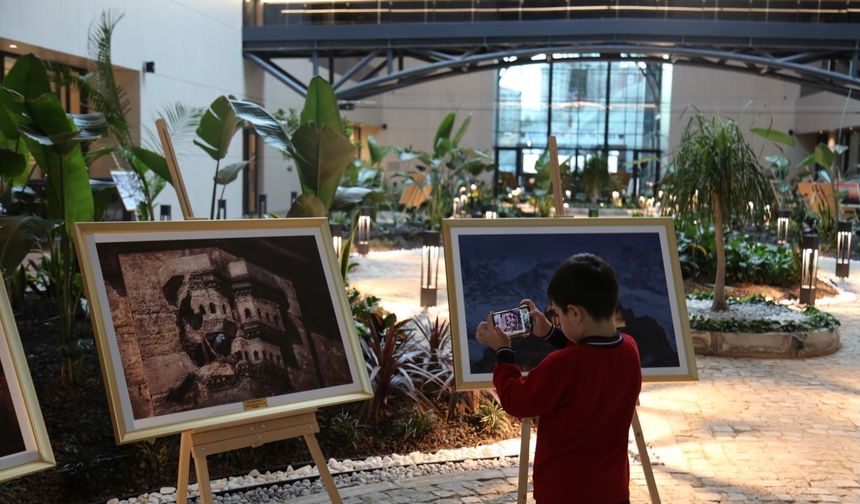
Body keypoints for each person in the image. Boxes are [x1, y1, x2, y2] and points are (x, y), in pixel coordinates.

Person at [475, 253, 642, 504]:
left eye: (559, 315)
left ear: (574, 313)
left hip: (564, 492)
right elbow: (591, 357)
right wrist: (550, 332)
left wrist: (503, 351)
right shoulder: (630, 349)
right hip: (612, 490)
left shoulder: (561, 365)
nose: (558, 320)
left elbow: (517, 399)